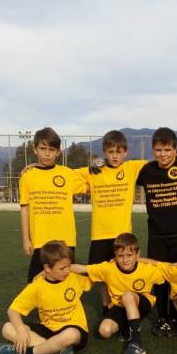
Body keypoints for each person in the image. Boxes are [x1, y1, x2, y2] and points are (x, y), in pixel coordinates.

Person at [136, 127, 177, 337]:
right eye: (158, 150)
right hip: (157, 236)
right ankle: (162, 317)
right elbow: (119, 171)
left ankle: (176, 317)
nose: (163, 154)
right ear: (152, 150)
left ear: (175, 149)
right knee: (160, 280)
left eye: (167, 150)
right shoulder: (146, 170)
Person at [75, 131, 148, 311]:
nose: (115, 156)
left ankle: (124, 304)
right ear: (104, 152)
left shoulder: (131, 168)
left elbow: (163, 159)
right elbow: (61, 173)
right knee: (101, 275)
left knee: (123, 270)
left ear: (126, 152)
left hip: (122, 235)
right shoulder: (94, 171)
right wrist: (35, 166)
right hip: (99, 234)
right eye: (111, 152)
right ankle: (106, 306)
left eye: (118, 152)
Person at [70, 233, 165, 354]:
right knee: (104, 331)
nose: (125, 260)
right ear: (115, 255)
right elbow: (82, 268)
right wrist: (53, 269)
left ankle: (136, 344)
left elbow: (169, 270)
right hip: (119, 305)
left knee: (128, 295)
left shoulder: (148, 270)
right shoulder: (108, 268)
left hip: (142, 304)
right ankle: (126, 326)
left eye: (129, 255)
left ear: (137, 254)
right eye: (120, 256)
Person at [0, 240, 92, 354]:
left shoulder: (74, 278)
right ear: (47, 268)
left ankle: (26, 352)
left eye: (69, 266)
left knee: (71, 335)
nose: (67, 271)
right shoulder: (37, 286)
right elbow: (12, 310)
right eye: (62, 268)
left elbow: (99, 274)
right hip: (48, 329)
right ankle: (55, 349)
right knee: (7, 328)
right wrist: (21, 330)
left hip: (74, 330)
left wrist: (81, 268)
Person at [19, 127, 88, 283]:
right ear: (35, 149)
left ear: (58, 152)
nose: (47, 153)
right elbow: (25, 209)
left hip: (66, 240)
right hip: (40, 240)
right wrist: (26, 239)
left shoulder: (68, 174)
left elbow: (92, 182)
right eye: (43, 149)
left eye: (51, 149)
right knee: (35, 283)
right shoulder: (28, 176)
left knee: (65, 282)